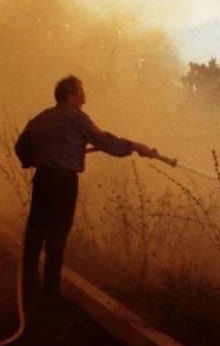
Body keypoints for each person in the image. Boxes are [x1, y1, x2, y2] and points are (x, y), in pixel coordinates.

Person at [15, 75, 156, 306]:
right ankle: (51, 295)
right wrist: (135, 147)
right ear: (70, 95)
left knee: (35, 236)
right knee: (56, 237)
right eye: (81, 94)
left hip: (42, 180)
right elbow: (104, 141)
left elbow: (21, 146)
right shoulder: (78, 119)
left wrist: (32, 159)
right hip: (64, 184)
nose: (84, 99)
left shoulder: (42, 118)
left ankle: (28, 293)